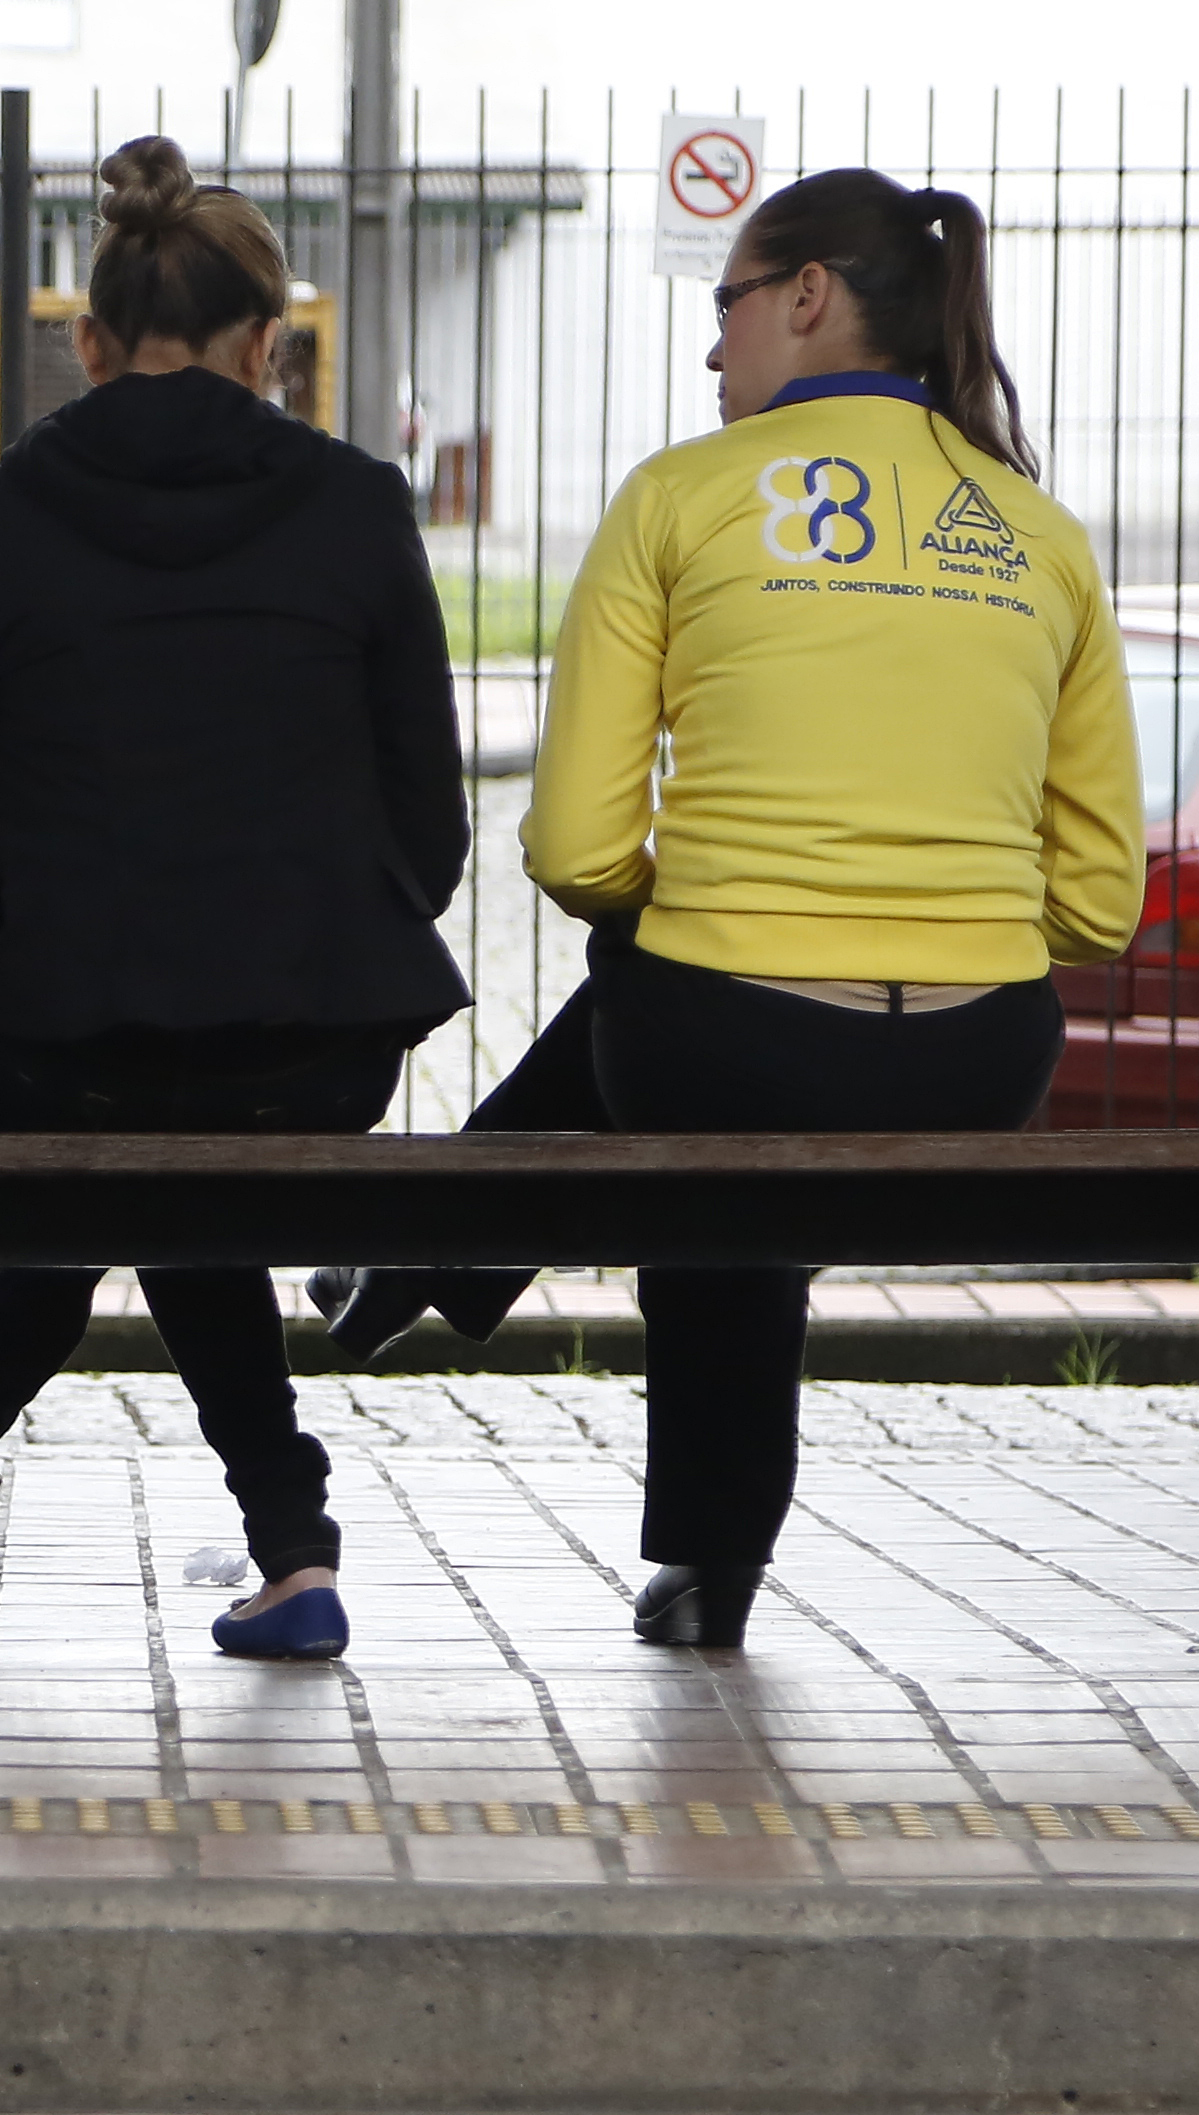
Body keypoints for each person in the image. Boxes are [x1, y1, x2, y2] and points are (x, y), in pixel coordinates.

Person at [339, 168, 1139, 1647]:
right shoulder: (1043, 535)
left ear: (809, 296)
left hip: (728, 1048)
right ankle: (431, 1253)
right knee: (690, 1042)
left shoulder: (680, 498)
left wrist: (717, 919)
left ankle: (450, 1264)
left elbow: (577, 851)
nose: (714, 348)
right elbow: (1099, 903)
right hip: (982, 1059)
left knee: (677, 1035)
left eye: (729, 305)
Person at [0, 136, 468, 1664]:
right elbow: (433, 822)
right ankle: (280, 1544)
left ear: (86, 343)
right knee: (181, 1160)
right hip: (315, 1044)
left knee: (126, 1130)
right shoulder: (359, 507)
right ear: (268, 345)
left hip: (59, 1039)